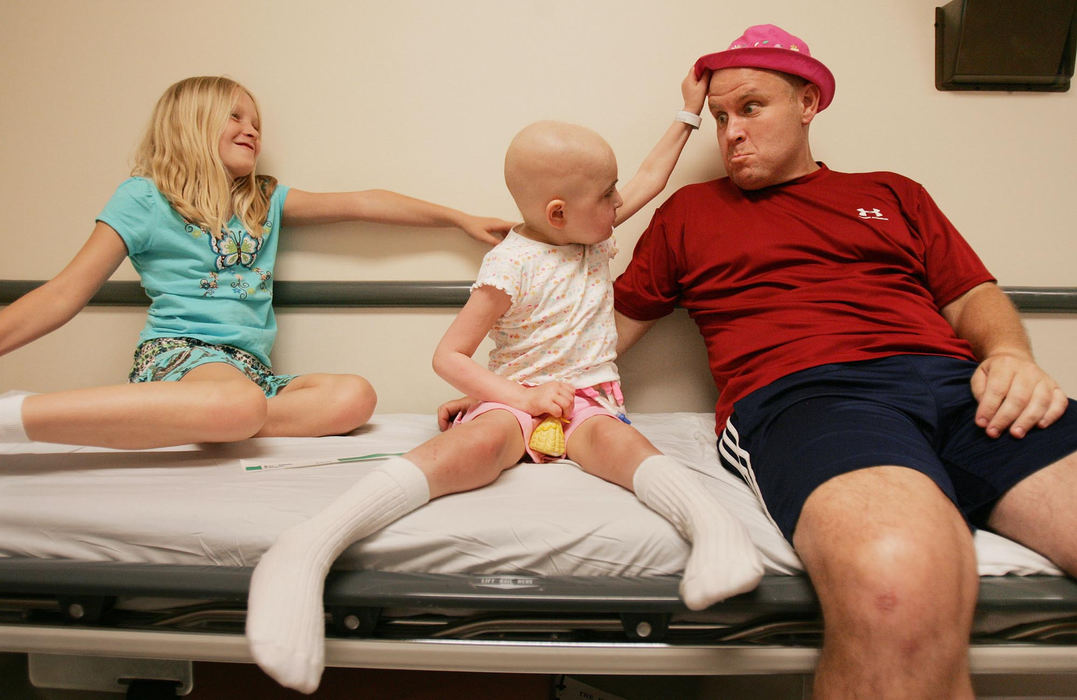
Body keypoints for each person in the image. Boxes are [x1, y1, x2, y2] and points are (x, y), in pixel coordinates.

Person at [245, 72, 765, 694]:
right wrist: (515, 397)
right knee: (475, 449)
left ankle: (713, 528)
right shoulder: (510, 264)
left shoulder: (590, 228)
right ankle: (308, 545)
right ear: (558, 212)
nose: (620, 202)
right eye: (608, 194)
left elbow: (650, 179)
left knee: (622, 447)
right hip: (518, 398)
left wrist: (686, 113)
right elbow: (450, 355)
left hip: (589, 399)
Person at [612, 24, 1077, 700]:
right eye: (718, 117)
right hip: (808, 395)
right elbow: (605, 332)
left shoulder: (894, 193)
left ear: (808, 103)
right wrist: (507, 391)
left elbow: (971, 293)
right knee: (898, 580)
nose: (730, 132)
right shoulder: (689, 213)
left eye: (749, 107)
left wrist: (1009, 354)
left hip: (958, 386)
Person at [0, 76, 512, 449]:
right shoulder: (145, 198)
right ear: (192, 124)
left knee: (353, 397)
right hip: (180, 358)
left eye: (257, 123)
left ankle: (207, 421)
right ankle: (14, 416)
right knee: (237, 404)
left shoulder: (262, 201)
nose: (252, 130)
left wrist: (456, 218)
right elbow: (66, 292)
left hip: (249, 373)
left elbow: (362, 202)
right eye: (236, 116)